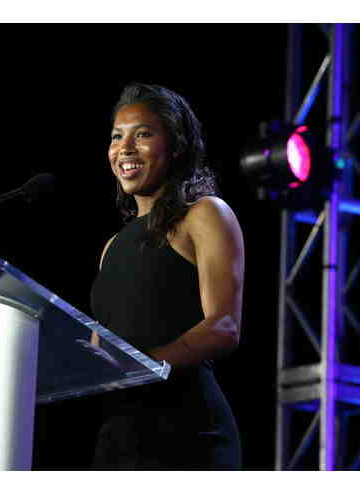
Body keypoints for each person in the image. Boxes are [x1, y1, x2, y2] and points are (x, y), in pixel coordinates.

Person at [90, 83, 244, 470]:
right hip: (118, 440)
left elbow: (224, 326)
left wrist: (143, 366)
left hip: (189, 433)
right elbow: (103, 345)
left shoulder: (204, 214)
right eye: (117, 137)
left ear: (176, 146)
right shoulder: (111, 247)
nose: (125, 148)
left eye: (142, 134)